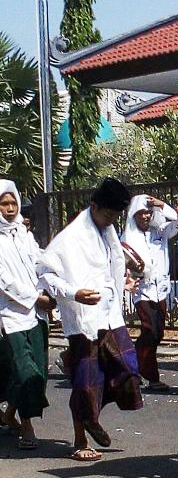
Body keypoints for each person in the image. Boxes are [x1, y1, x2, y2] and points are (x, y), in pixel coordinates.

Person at [38, 177, 143, 462]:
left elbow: (109, 269)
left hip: (110, 316)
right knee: (86, 381)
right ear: (93, 206)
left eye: (115, 216)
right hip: (82, 320)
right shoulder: (69, 238)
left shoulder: (107, 233)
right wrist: (74, 293)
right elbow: (45, 272)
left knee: (128, 370)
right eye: (107, 214)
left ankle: (91, 415)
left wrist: (123, 283)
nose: (110, 220)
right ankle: (81, 437)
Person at [0, 180, 55, 449]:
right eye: (3, 203)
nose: (10, 208)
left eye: (13, 203)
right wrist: (35, 297)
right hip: (11, 315)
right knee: (24, 370)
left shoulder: (24, 233)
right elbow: (4, 281)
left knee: (39, 374)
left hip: (36, 315)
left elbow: (38, 262)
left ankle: (10, 413)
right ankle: (27, 426)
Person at [122, 194, 178, 391]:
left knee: (157, 333)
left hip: (160, 290)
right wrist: (127, 279)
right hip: (142, 291)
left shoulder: (160, 231)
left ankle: (131, 367)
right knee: (150, 330)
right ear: (134, 216)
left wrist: (162, 205)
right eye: (141, 214)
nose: (145, 217)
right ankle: (150, 376)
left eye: (148, 213)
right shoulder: (128, 237)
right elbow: (122, 263)